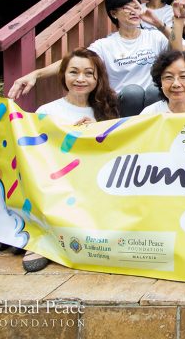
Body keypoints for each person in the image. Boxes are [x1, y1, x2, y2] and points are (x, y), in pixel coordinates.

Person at [20, 48, 119, 272]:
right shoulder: (47, 111)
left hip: (93, 182)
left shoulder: (105, 111)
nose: (80, 79)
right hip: (58, 182)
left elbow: (115, 152)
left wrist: (95, 132)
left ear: (97, 78)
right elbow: (36, 156)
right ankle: (41, 241)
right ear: (63, 75)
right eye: (74, 72)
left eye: (88, 73)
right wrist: (66, 136)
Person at [9, 0, 168, 116]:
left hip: (152, 107)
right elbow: (74, 62)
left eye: (136, 7)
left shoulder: (154, 37)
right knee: (133, 92)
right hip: (122, 106)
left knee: (155, 90)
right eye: (127, 8)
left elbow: (181, 50)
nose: (134, 12)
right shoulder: (105, 45)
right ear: (113, 13)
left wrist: (159, 24)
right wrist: (36, 74)